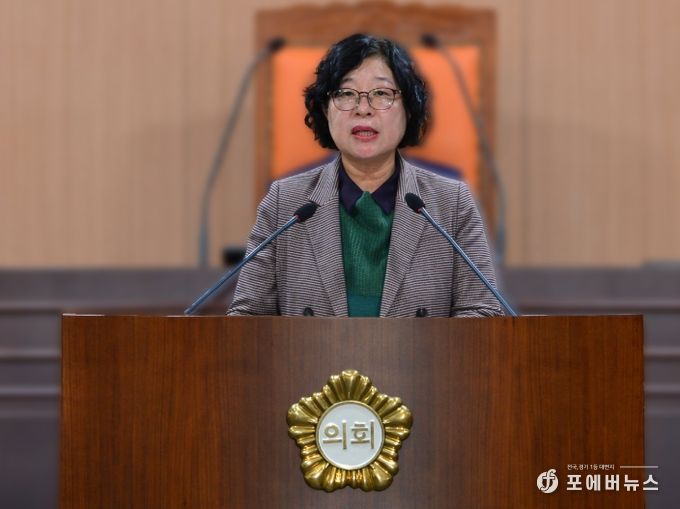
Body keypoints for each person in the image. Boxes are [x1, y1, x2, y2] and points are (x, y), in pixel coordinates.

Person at [228, 34, 503, 317]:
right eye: (346, 94)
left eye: (382, 94)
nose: (363, 109)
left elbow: (481, 313)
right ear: (325, 110)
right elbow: (247, 318)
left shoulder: (451, 204)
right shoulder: (285, 203)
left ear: (409, 109)